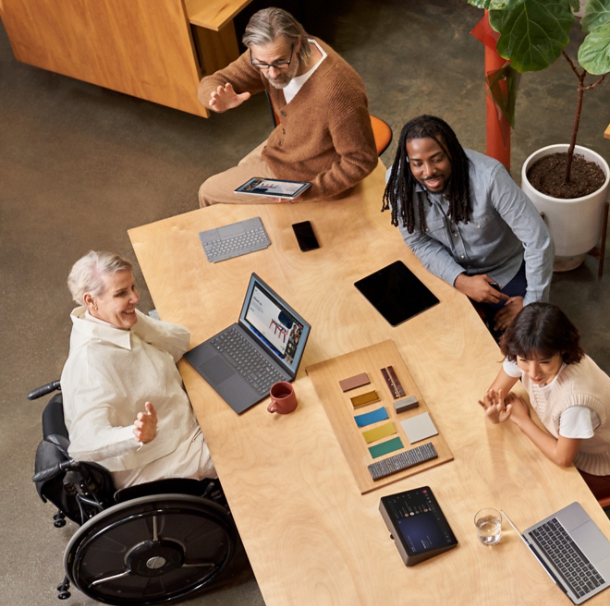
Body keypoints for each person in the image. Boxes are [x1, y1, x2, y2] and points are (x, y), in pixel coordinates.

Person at [382, 115, 553, 334]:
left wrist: (531, 307)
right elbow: (418, 242)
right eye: (417, 163)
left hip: (504, 272)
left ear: (452, 151)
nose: (428, 171)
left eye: (436, 159)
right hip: (449, 273)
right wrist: (461, 281)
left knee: (522, 345)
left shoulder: (490, 178)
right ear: (408, 161)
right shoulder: (399, 183)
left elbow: (538, 241)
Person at [60, 252, 216, 489]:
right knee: (249, 446)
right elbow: (82, 445)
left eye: (133, 287)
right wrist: (134, 434)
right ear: (91, 301)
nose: (135, 297)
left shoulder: (108, 319)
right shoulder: (90, 364)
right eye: (121, 293)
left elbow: (180, 342)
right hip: (160, 456)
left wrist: (138, 322)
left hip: (181, 416)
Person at [195, 7, 377, 207]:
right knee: (242, 169)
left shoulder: (338, 92)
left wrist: (310, 190)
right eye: (262, 63)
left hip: (307, 177)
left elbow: (361, 161)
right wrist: (215, 99)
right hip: (285, 148)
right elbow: (214, 81)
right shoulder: (267, 53)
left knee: (208, 192)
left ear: (298, 42)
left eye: (280, 62)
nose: (271, 74)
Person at [479, 303, 610, 499]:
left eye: (544, 362)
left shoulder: (576, 402)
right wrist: (494, 413)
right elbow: (495, 394)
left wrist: (522, 420)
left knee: (535, 494)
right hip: (582, 439)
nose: (533, 373)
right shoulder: (528, 350)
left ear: (563, 351)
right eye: (524, 360)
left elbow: (562, 458)